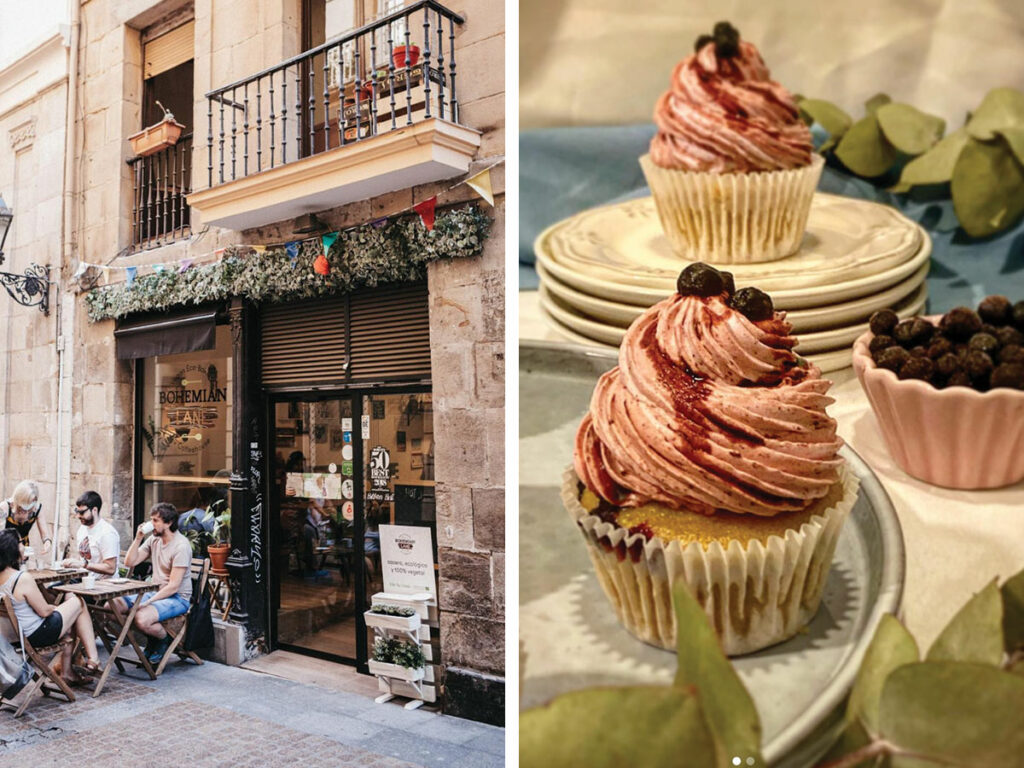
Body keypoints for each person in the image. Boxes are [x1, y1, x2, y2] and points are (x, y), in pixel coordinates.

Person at [0, 529, 101, 685]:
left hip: (11, 637)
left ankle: (67, 672)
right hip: (36, 634)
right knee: (78, 602)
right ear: (12, 548)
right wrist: (54, 608)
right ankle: (93, 658)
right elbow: (44, 611)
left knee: (69, 616)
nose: (24, 546)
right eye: (21, 542)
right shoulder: (21, 578)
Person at [121, 503, 193, 665]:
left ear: (168, 523)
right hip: (156, 592)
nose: (151, 524)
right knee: (113, 606)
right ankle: (153, 638)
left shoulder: (181, 546)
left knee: (140, 617)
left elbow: (173, 586)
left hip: (177, 598)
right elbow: (130, 562)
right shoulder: (154, 539)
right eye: (151, 520)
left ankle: (162, 639)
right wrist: (138, 537)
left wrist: (146, 603)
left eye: (155, 521)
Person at [61, 491, 120, 579]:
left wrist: (83, 565)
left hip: (103, 584)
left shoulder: (107, 533)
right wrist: (72, 563)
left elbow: (111, 568)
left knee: (64, 591)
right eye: (77, 511)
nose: (78, 516)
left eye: (82, 512)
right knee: (51, 588)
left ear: (94, 510)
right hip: (83, 578)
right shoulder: (82, 529)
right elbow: (84, 559)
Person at [0, 480, 53, 556]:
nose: (28, 507)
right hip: (5, 549)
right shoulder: (4, 508)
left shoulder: (36, 509)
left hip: (23, 549)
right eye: (26, 502)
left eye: (31, 502)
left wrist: (47, 542)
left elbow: (45, 535)